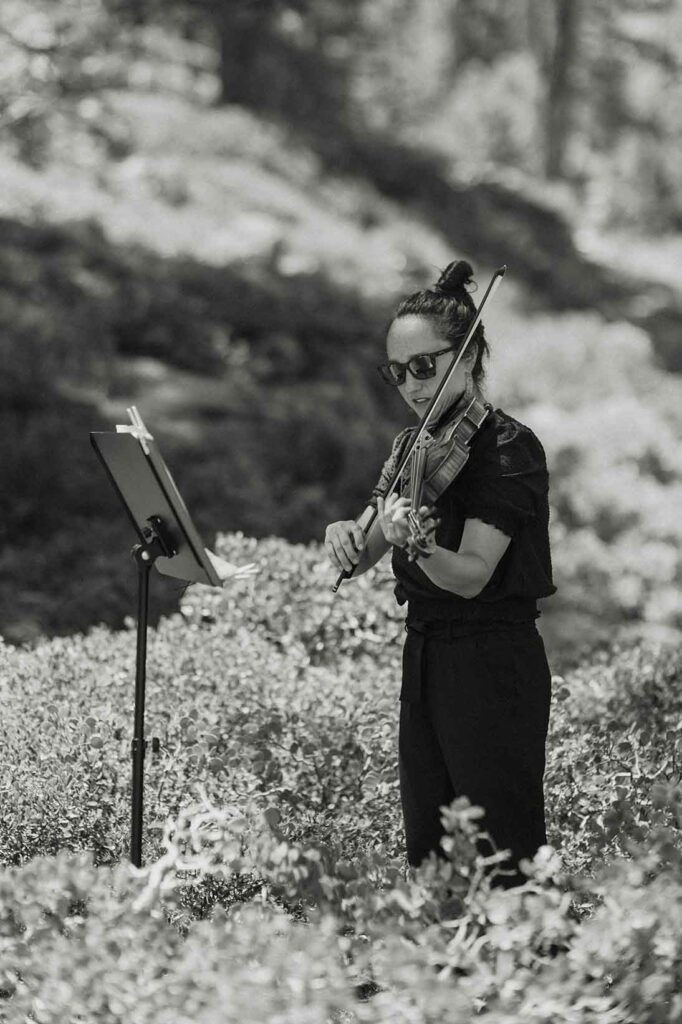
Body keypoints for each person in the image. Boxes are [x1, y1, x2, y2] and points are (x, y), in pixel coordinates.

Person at [324, 260, 556, 888]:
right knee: (431, 847)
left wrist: (418, 547)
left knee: (502, 849)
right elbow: (370, 542)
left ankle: (531, 975)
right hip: (425, 655)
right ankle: (447, 978)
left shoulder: (508, 448)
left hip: (492, 662)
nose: (411, 386)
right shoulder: (412, 447)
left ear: (470, 351)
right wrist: (346, 536)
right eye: (396, 372)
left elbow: (474, 574)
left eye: (424, 366)